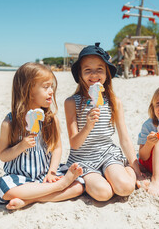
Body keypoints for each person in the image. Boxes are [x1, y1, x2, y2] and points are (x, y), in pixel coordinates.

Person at [0, 63, 83, 210]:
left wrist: (52, 172)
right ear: (28, 91)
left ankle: (28, 200)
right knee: (6, 190)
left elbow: (57, 148)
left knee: (79, 186)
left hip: (45, 174)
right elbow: (3, 155)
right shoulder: (9, 123)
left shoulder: (50, 119)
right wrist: (21, 146)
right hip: (20, 177)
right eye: (46, 87)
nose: (51, 91)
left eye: (52, 86)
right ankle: (58, 186)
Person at [64, 43, 144, 201]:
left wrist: (137, 171)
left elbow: (124, 138)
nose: (94, 75)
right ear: (80, 74)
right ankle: (99, 179)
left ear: (107, 73)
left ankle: (123, 169)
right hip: (83, 158)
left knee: (125, 188)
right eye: (87, 70)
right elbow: (74, 144)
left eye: (99, 69)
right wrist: (88, 126)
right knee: (103, 194)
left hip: (108, 154)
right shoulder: (72, 102)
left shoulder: (114, 101)